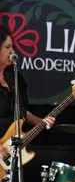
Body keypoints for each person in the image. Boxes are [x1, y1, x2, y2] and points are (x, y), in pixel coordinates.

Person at [0, 26, 55, 161]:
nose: (12, 51)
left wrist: (41, 122)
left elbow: (21, 111)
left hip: (10, 152)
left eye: (12, 47)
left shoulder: (14, 76)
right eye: (7, 47)